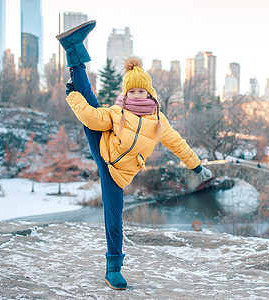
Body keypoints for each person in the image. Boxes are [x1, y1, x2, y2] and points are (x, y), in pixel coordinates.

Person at [56, 20, 212, 290]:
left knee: (114, 216)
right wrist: (73, 97)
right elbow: (92, 118)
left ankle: (73, 47)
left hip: (118, 172)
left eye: (141, 90)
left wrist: (196, 166)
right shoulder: (118, 112)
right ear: (126, 92)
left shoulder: (158, 121)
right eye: (132, 91)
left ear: (149, 92)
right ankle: (74, 49)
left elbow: (177, 143)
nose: (137, 94)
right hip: (103, 146)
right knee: (89, 100)